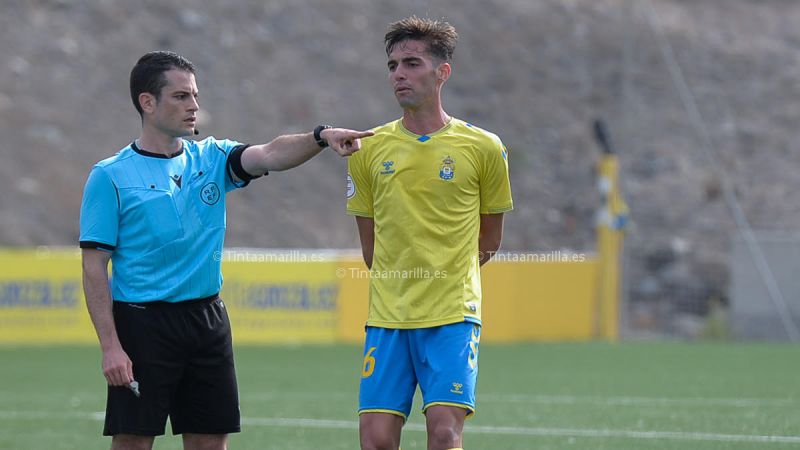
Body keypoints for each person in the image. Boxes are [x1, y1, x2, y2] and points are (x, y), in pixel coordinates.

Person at [79, 50, 372, 450]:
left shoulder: (213, 158)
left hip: (207, 320)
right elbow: (94, 266)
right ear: (148, 102)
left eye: (195, 95)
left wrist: (319, 137)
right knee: (133, 441)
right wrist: (111, 347)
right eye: (181, 96)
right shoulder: (110, 175)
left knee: (211, 442)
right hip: (142, 325)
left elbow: (270, 153)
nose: (194, 105)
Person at [346, 17, 513, 450]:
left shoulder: (484, 147)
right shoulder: (368, 148)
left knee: (443, 432)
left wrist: (445, 276)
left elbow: (490, 238)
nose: (399, 74)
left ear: (442, 72)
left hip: (452, 317)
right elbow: (371, 247)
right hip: (387, 318)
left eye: (412, 63)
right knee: (377, 440)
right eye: (393, 65)